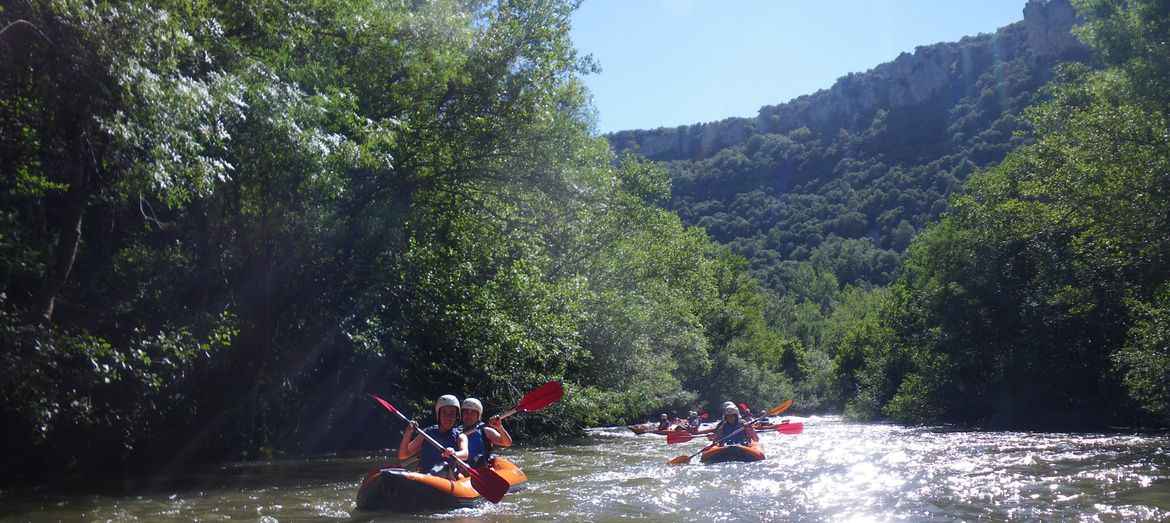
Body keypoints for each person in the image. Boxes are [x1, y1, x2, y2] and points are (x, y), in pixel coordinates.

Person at [398, 394, 468, 477]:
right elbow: (403, 455)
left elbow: (465, 454)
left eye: (452, 413)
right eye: (444, 413)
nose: (448, 417)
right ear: (439, 415)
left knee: (445, 467)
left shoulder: (460, 436)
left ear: (456, 416)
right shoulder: (426, 434)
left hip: (448, 478)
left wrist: (454, 453)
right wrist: (408, 433)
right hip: (426, 477)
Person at [459, 397, 512, 468]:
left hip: (482, 468)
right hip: (463, 468)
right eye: (466, 412)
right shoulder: (456, 431)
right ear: (462, 414)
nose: (469, 415)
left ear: (478, 416)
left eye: (473, 412)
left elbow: (507, 443)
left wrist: (500, 427)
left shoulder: (485, 431)